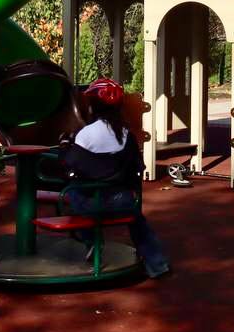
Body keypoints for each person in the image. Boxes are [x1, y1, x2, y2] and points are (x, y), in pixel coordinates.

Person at [61, 78, 170, 278]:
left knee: (72, 194)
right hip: (123, 202)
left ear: (93, 106)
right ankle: (158, 265)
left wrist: (65, 147)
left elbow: (70, 166)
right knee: (138, 222)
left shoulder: (85, 135)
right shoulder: (126, 134)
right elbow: (137, 167)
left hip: (91, 205)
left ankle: (92, 242)